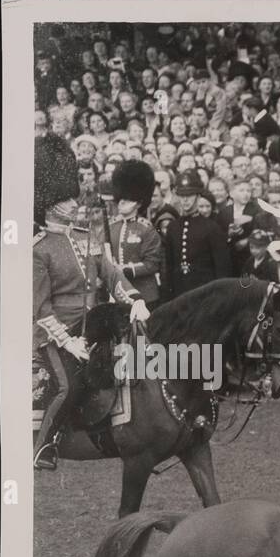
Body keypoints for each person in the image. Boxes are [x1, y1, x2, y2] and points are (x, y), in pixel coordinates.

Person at [33, 134, 150, 471]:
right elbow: (40, 309)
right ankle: (43, 448)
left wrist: (136, 299)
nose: (75, 202)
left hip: (92, 325)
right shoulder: (40, 249)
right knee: (68, 386)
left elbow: (112, 277)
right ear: (52, 203)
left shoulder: (89, 238)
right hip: (57, 334)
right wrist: (68, 341)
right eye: (67, 198)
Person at [161, 168, 232, 301]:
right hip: (179, 291)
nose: (185, 200)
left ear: (198, 196)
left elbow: (222, 268)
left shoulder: (211, 227)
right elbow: (169, 266)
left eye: (189, 195)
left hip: (205, 293)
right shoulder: (173, 227)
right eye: (182, 196)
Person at [107, 159, 162, 304]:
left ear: (138, 202)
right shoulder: (112, 226)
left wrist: (125, 270)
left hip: (144, 293)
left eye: (127, 199)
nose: (121, 202)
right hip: (119, 293)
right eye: (121, 198)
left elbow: (152, 263)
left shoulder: (146, 228)